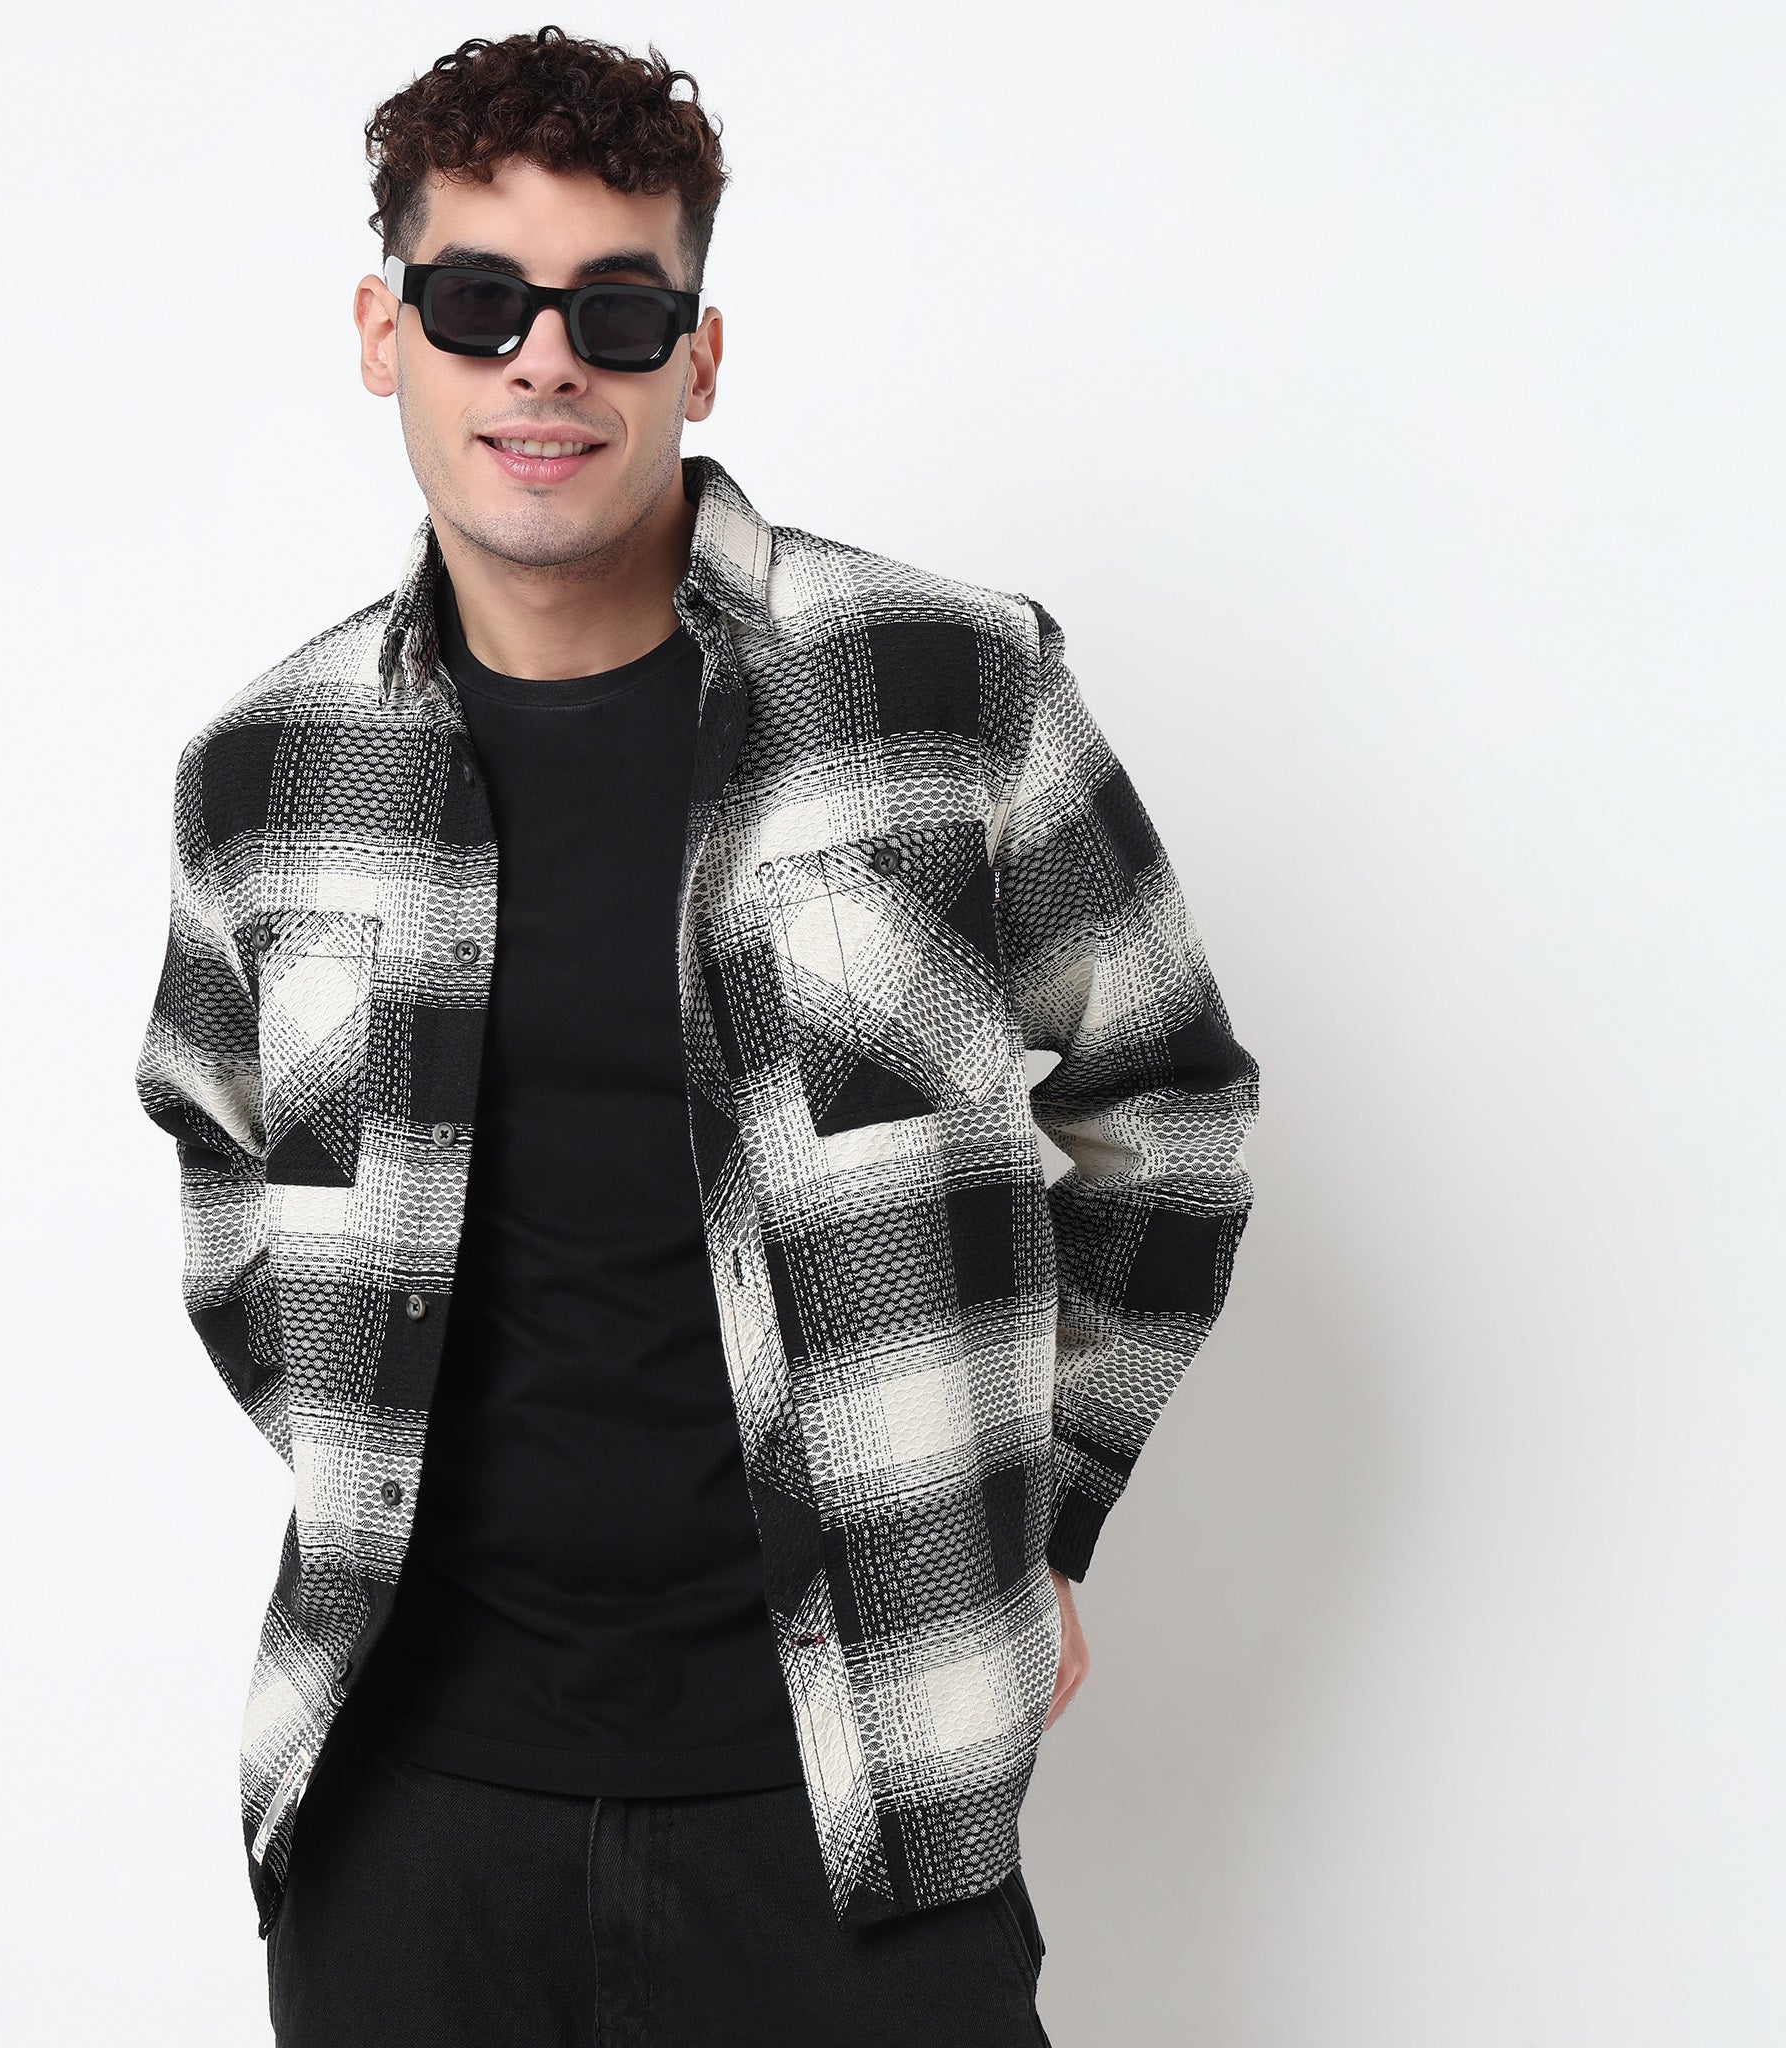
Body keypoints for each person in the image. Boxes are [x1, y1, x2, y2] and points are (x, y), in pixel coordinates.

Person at [133, 25, 1260, 2047]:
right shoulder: (264, 776)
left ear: (698, 357)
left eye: (615, 311)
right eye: (480, 303)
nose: (544, 362)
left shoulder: (948, 688)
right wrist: (360, 1442)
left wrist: (1042, 1505)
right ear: (386, 334)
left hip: (857, 1807)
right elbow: (223, 1164)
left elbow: (1167, 1103)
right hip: (408, 1819)